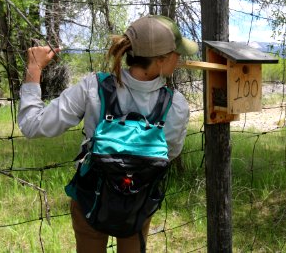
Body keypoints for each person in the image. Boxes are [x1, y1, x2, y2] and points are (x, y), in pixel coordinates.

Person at [18, 15, 198, 252]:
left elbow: (32, 125)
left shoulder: (93, 87)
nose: (181, 58)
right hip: (138, 201)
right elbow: (170, 152)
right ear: (161, 60)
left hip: (90, 198)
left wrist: (34, 68)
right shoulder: (175, 104)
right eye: (177, 53)